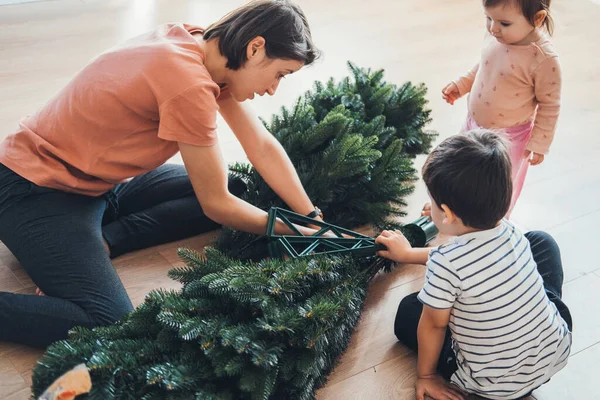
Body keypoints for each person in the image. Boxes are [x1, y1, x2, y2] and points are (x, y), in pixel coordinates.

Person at [0, 0, 325, 348]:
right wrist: (296, 232)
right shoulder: (188, 84)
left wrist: (312, 217)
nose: (274, 89)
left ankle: (103, 241)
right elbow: (216, 205)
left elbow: (259, 146)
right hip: (36, 192)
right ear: (255, 47)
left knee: (234, 185)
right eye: (280, 74)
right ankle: (71, 249)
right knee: (107, 322)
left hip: (98, 184)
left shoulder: (196, 42)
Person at [376, 130, 572, 400]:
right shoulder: (512, 231)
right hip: (551, 354)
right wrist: (409, 254)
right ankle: (531, 323)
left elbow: (434, 325)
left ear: (447, 213)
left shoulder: (446, 264)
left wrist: (426, 376)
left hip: (490, 384)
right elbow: (463, 259)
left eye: (431, 202)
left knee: (409, 311)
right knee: (540, 240)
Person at [437, 0, 561, 216]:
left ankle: (492, 225)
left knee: (498, 185)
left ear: (537, 19)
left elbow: (550, 105)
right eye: (488, 19)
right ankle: (456, 210)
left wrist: (540, 142)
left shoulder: (543, 59)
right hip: (473, 123)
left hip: (508, 139)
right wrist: (461, 84)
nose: (493, 28)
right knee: (461, 167)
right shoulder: (497, 36)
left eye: (504, 23)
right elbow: (484, 64)